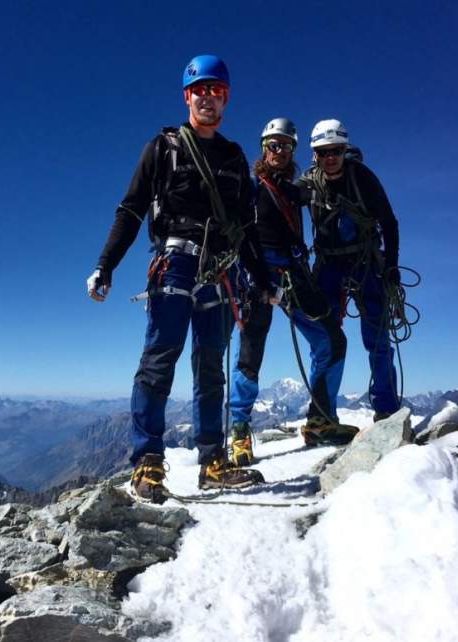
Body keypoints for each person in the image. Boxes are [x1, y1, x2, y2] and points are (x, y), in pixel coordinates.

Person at [86, 55, 275, 503]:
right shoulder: (164, 146)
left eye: (216, 91)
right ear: (187, 96)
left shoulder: (232, 158)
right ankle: (147, 464)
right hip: (175, 263)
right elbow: (131, 209)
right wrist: (106, 264)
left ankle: (213, 462)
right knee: (159, 361)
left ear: (225, 99)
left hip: (219, 268)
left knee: (211, 367)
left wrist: (263, 279)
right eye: (200, 91)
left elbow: (245, 229)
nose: (208, 98)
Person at [227, 119, 355, 465]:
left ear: (293, 151)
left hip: (294, 272)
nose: (279, 151)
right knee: (250, 354)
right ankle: (239, 432)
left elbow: (327, 185)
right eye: (273, 145)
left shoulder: (293, 189)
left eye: (285, 146)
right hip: (258, 275)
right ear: (263, 147)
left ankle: (320, 421)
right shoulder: (253, 189)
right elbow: (241, 235)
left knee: (332, 340)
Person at [297, 119, 401, 421]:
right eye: (323, 152)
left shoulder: (363, 178)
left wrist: (391, 266)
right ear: (314, 154)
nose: (330, 158)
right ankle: (321, 416)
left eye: (336, 151)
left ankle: (387, 410)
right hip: (329, 263)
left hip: (366, 262)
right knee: (326, 337)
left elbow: (389, 222)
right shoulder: (306, 184)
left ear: (345, 150)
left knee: (377, 337)